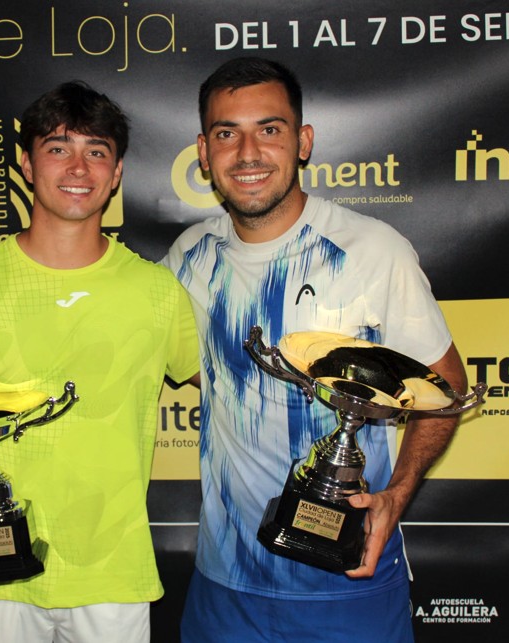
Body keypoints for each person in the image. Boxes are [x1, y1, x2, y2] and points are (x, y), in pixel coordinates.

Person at [163, 57, 468, 642]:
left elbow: (446, 387)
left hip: (347, 579)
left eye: (269, 129)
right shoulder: (188, 256)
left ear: (303, 142)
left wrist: (397, 495)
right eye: (227, 133)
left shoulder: (373, 250)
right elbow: (201, 367)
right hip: (226, 584)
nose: (247, 153)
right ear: (203, 152)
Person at [0, 81, 199, 643]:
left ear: (117, 173)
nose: (78, 168)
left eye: (96, 151)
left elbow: (233, 392)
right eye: (58, 148)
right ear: (25, 164)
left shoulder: (159, 293)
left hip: (111, 576)